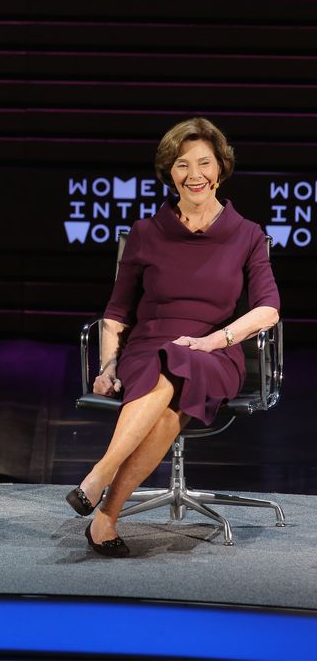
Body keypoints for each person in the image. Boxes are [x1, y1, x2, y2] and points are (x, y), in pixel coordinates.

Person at [65, 117, 280, 557]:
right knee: (169, 370)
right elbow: (117, 312)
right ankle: (104, 519)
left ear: (221, 168)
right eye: (182, 164)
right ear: (170, 172)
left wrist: (213, 341)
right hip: (148, 347)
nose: (194, 175)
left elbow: (267, 308)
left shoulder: (247, 234)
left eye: (204, 163)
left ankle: (99, 476)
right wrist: (108, 366)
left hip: (216, 350)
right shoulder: (146, 233)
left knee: (180, 361)